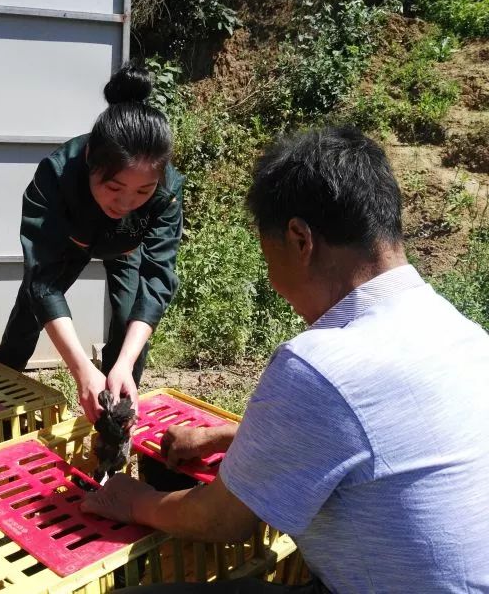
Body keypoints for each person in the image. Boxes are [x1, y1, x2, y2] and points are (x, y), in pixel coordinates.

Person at [80, 126, 489, 593]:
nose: (274, 279)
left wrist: (135, 501)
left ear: (300, 239)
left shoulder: (321, 363)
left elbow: (221, 521)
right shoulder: (459, 330)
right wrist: (233, 436)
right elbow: (389, 430)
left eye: (268, 257)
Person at [0, 63, 184, 423]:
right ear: (91, 159)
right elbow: (43, 279)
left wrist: (123, 362)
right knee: (28, 316)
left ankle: (116, 415)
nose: (125, 204)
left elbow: (156, 282)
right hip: (70, 244)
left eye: (143, 191)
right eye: (113, 188)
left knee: (128, 328)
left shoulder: (168, 188)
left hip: (126, 247)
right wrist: (81, 370)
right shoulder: (56, 175)